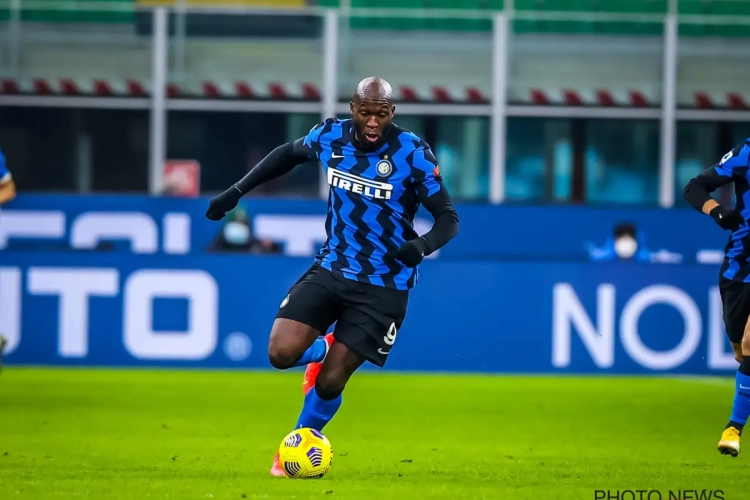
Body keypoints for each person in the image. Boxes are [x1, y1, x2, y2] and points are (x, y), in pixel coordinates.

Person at [206, 76, 459, 475]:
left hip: (384, 284)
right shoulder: (330, 136)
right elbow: (285, 155)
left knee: (330, 382)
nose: (373, 122)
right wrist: (236, 191)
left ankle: (293, 445)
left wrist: (422, 246)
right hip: (332, 267)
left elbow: (448, 219)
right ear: (352, 109)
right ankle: (323, 347)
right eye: (365, 113)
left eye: (381, 114)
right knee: (280, 353)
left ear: (392, 113)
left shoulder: (413, 153)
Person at [684, 140, 750, 457]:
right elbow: (694, 187)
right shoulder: (746, 154)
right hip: (739, 268)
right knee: (741, 352)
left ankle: (733, 428)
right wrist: (718, 212)